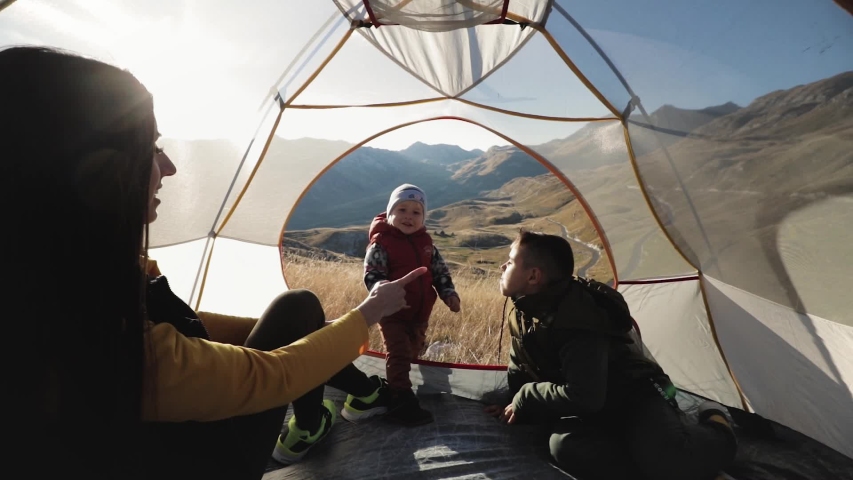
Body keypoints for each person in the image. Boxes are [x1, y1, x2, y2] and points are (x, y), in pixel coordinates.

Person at [2, 46, 426, 480]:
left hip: (158, 439)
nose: (167, 167)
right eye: (149, 148)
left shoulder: (51, 278)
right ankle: (352, 403)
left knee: (298, 309)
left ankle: (345, 404)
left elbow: (182, 332)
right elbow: (274, 377)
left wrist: (303, 333)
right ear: (86, 169)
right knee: (296, 333)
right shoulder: (102, 337)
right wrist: (367, 313)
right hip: (208, 461)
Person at [485, 229, 738, 480]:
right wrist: (512, 396)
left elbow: (584, 396)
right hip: (595, 409)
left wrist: (527, 396)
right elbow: (522, 361)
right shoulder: (524, 307)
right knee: (564, 447)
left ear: (533, 276)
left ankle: (716, 423)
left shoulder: (576, 318)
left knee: (670, 461)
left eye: (510, 261)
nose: (503, 267)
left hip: (637, 395)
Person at [360, 184, 462, 425]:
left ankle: (395, 384)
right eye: (402, 209)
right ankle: (401, 402)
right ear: (390, 213)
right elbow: (372, 275)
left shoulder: (427, 244)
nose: (408, 216)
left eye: (416, 212)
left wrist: (449, 293)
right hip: (392, 313)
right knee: (399, 353)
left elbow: (440, 272)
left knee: (413, 350)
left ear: (423, 217)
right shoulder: (381, 244)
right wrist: (383, 293)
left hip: (420, 313)